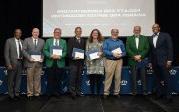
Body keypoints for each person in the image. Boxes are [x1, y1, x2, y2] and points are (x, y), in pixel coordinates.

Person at [148, 23, 173, 103]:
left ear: (159, 28)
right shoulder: (151, 37)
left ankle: (168, 96)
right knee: (157, 79)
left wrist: (169, 60)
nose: (154, 28)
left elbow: (170, 48)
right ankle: (159, 94)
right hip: (155, 62)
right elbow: (151, 51)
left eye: (156, 27)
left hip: (164, 61)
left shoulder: (165, 35)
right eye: (153, 27)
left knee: (166, 79)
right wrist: (150, 62)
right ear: (152, 29)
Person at [43, 28, 67, 98]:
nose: (57, 33)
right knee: (50, 79)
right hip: (50, 62)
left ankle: (57, 93)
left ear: (60, 34)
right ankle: (49, 93)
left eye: (59, 32)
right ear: (53, 33)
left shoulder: (63, 41)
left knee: (58, 79)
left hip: (60, 63)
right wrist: (50, 55)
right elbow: (45, 50)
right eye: (56, 32)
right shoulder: (48, 41)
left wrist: (61, 56)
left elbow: (65, 51)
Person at [126, 26, 150, 95]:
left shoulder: (145, 38)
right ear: (133, 30)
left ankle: (144, 91)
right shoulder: (129, 38)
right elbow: (128, 49)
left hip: (142, 60)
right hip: (132, 60)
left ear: (140, 30)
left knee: (144, 77)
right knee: (133, 77)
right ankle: (134, 91)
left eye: (138, 30)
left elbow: (147, 48)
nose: (137, 31)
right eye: (135, 30)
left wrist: (140, 56)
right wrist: (134, 56)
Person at [103, 29, 126, 99]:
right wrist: (113, 54)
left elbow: (124, 52)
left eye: (116, 32)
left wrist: (121, 55)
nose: (115, 33)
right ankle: (106, 92)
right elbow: (104, 50)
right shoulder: (107, 41)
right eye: (113, 32)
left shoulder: (121, 41)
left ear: (118, 33)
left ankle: (116, 92)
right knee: (108, 77)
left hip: (119, 61)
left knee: (118, 77)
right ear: (111, 33)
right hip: (110, 61)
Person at [23, 28, 45, 100]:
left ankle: (37, 93)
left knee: (37, 79)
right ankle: (30, 94)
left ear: (39, 33)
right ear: (32, 33)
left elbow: (43, 52)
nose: (36, 33)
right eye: (34, 32)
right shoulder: (26, 40)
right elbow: (23, 50)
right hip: (30, 62)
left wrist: (42, 58)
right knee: (30, 79)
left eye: (37, 32)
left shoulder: (42, 41)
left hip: (39, 63)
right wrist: (29, 58)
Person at [4, 29, 23, 101]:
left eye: (20, 33)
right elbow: (6, 54)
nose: (18, 34)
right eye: (17, 33)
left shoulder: (22, 41)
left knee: (18, 79)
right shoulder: (9, 41)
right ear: (14, 33)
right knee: (11, 80)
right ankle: (11, 95)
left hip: (20, 63)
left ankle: (17, 94)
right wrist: (8, 64)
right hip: (12, 64)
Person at [68, 27, 85, 99]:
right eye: (77, 31)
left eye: (80, 31)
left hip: (80, 62)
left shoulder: (84, 41)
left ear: (81, 32)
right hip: (73, 62)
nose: (78, 32)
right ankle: (72, 92)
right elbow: (68, 52)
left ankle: (78, 91)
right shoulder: (71, 40)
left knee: (79, 78)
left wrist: (83, 57)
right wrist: (73, 57)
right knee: (72, 78)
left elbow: (84, 51)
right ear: (75, 32)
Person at [86, 29, 104, 95]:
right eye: (94, 33)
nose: (95, 34)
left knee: (99, 79)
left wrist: (101, 53)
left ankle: (98, 93)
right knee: (92, 79)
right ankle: (92, 93)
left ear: (98, 34)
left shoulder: (102, 41)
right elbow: (86, 51)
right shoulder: (88, 41)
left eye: (96, 33)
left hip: (99, 63)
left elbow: (104, 51)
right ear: (91, 34)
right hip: (91, 63)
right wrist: (89, 56)